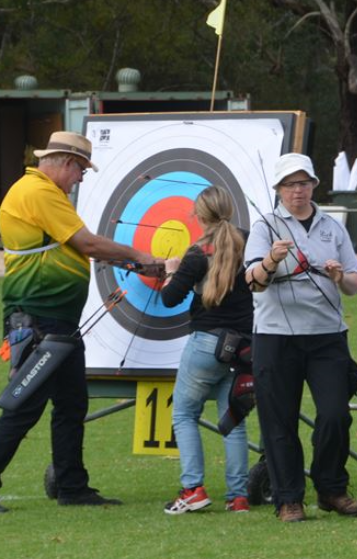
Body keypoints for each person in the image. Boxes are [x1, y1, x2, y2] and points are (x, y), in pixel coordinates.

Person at [0, 131, 158, 511]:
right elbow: (86, 243)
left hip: (57, 322)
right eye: (82, 170)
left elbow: (73, 247)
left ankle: (71, 485)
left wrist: (132, 261)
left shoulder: (44, 193)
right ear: (67, 163)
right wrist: (139, 253)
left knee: (72, 404)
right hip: (41, 318)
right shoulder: (37, 191)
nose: (82, 179)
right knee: (25, 405)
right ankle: (70, 484)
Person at [244, 153, 357, 523]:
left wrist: (339, 277)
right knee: (279, 422)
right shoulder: (265, 226)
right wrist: (270, 261)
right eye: (289, 185)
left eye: (303, 183)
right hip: (276, 337)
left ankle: (330, 488)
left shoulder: (333, 226)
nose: (297, 191)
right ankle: (288, 498)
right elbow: (252, 282)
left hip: (327, 335)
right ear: (278, 190)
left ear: (313, 185)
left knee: (334, 415)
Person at [159, 186, 253, 515]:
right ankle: (238, 497)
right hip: (245, 347)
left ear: (198, 216)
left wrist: (172, 272)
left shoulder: (197, 253)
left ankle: (193, 489)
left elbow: (170, 298)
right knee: (233, 421)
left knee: (184, 414)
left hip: (207, 344)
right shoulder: (249, 240)